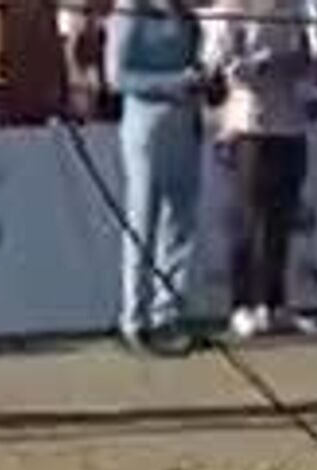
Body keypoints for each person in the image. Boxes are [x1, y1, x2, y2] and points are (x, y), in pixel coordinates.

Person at [203, 0, 316, 340]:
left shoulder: (294, 9)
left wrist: (293, 63)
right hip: (248, 127)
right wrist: (258, 64)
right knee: (248, 220)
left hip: (290, 125)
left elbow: (308, 59)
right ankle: (242, 305)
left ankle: (274, 303)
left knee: (280, 221)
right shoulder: (234, 9)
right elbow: (220, 68)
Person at [105, 0, 210, 355]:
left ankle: (169, 315)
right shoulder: (130, 10)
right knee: (143, 222)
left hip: (186, 124)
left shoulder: (184, 13)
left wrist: (203, 80)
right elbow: (117, 76)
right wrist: (176, 81)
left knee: (180, 223)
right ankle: (134, 319)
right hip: (147, 127)